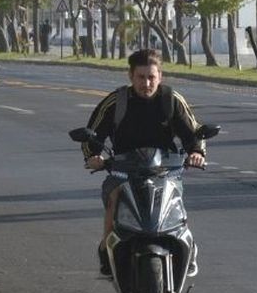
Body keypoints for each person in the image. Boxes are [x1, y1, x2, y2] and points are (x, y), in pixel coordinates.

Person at [80, 48, 206, 276]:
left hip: (165, 171)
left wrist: (197, 153)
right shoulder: (116, 102)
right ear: (131, 76)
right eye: (141, 77)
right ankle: (106, 248)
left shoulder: (171, 99)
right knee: (114, 199)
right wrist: (94, 156)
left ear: (160, 77)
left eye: (151, 77)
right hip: (123, 171)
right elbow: (93, 134)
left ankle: (188, 246)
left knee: (175, 200)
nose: (146, 83)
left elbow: (194, 133)